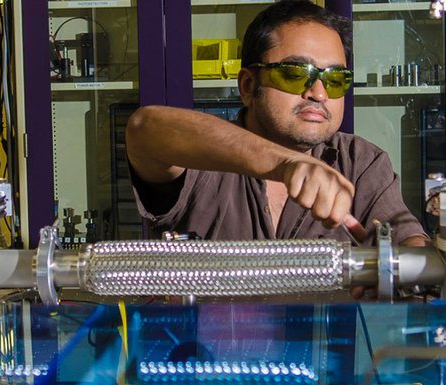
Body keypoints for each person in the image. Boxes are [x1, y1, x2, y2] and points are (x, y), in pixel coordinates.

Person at [125, 0, 428, 249]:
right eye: (295, 73)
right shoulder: (202, 157)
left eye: (336, 79)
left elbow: (410, 243)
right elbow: (144, 128)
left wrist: (409, 264)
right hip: (211, 326)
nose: (319, 93)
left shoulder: (361, 162)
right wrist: (286, 164)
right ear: (247, 86)